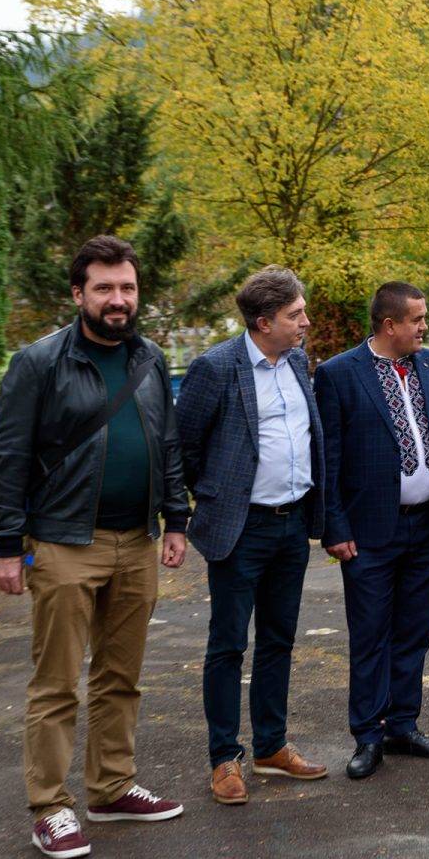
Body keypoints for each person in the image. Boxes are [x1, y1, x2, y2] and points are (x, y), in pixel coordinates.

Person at [0, 235, 188, 859]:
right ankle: (50, 806)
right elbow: (7, 453)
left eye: (126, 287)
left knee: (121, 676)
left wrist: (175, 518)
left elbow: (167, 443)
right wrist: (4, 543)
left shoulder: (150, 358)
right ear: (79, 295)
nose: (118, 299)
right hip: (66, 540)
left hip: (137, 540)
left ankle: (111, 786)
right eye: (104, 288)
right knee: (56, 684)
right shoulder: (38, 362)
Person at [177, 267, 329, 805]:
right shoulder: (215, 368)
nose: (305, 322)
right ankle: (224, 758)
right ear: (263, 322)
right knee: (227, 645)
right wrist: (217, 497)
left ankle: (271, 746)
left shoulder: (296, 364)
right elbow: (186, 448)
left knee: (279, 640)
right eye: (295, 315)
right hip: (241, 529)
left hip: (291, 526)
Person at [314, 283, 429, 778]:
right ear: (389, 325)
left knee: (414, 632)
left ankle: (403, 724)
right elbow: (330, 459)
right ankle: (367, 735)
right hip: (368, 533)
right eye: (417, 319)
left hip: (427, 527)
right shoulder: (339, 375)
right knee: (370, 637)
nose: (425, 327)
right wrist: (333, 527)